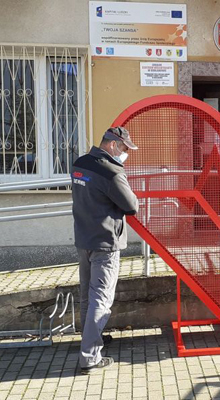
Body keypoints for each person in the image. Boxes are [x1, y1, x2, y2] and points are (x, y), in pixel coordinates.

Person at [71, 126, 139, 373]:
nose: (124, 153)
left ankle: (90, 338)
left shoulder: (80, 164)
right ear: (112, 145)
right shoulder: (111, 172)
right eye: (123, 148)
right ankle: (90, 357)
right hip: (105, 243)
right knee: (101, 298)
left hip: (84, 239)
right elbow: (131, 205)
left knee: (87, 295)